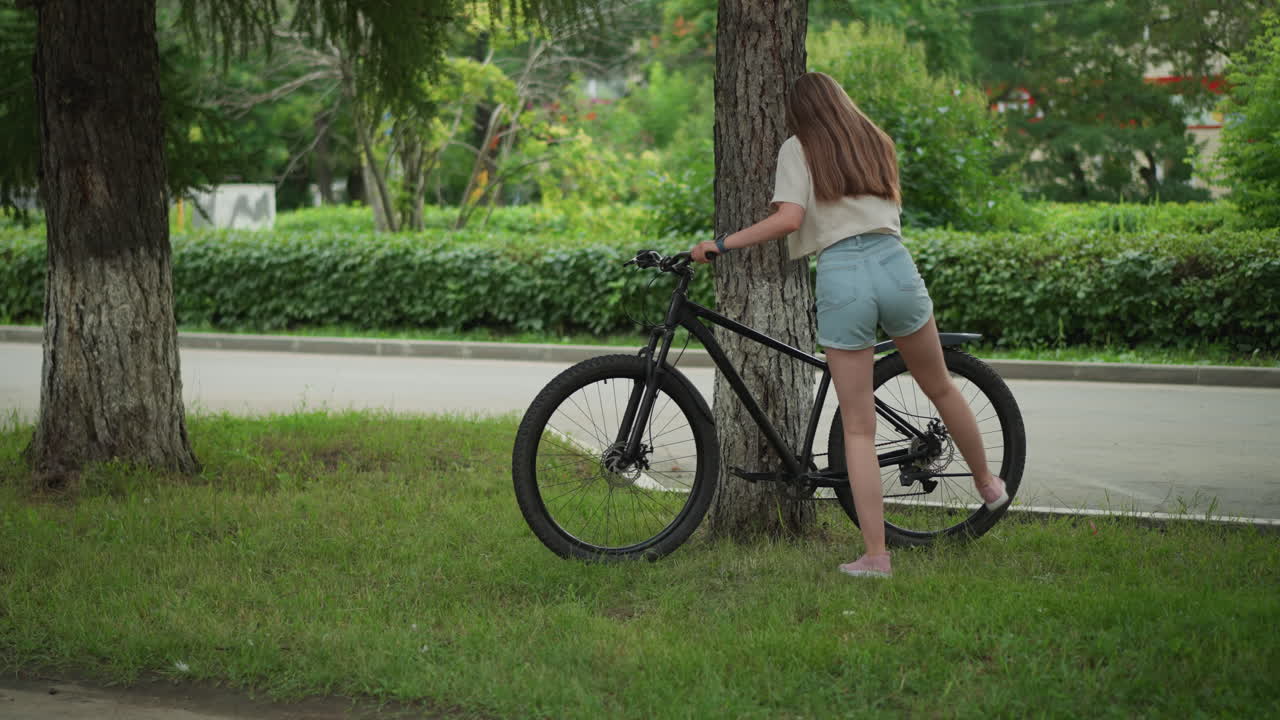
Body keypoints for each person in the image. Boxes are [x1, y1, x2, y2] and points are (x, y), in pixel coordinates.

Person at [688, 71, 1008, 579]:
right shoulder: (875, 141)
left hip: (844, 274)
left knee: (858, 427)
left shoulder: (798, 147)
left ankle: (877, 556)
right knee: (941, 385)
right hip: (895, 264)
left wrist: (721, 245)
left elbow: (789, 220)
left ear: (798, 112)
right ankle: (989, 483)